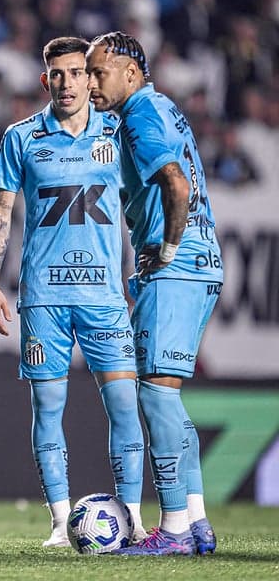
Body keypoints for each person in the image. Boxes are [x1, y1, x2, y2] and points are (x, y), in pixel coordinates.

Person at [0, 36, 146, 548]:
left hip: (104, 297)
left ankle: (135, 519)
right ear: (44, 79)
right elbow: (2, 213)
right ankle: (58, 522)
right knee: (47, 407)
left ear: (90, 77)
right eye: (59, 74)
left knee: (124, 405)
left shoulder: (117, 132)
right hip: (44, 300)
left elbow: (136, 207)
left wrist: (137, 270)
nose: (69, 83)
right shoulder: (21, 137)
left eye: (78, 73)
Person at [86, 31, 223, 556]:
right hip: (203, 263)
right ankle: (197, 519)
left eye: (100, 72)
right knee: (169, 399)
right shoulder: (159, 108)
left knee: (155, 394)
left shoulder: (141, 113)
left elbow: (177, 184)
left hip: (179, 265)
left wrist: (166, 248)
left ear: (132, 72)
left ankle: (172, 531)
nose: (93, 82)